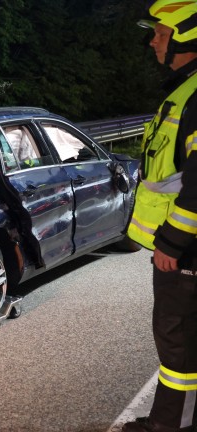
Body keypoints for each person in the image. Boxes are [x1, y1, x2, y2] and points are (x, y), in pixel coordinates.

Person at [125, 1, 197, 431]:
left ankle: (174, 426)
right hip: (184, 247)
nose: (153, 41)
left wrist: (172, 241)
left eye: (161, 33)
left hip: (186, 251)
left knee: (179, 346)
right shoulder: (186, 89)